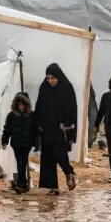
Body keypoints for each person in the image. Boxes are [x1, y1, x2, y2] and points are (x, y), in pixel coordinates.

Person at [34, 63, 77, 195]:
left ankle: (68, 172)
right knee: (47, 156)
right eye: (48, 78)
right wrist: (37, 123)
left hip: (60, 127)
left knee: (59, 153)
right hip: (46, 127)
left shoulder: (66, 88)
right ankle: (51, 187)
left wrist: (68, 124)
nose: (50, 81)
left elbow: (71, 108)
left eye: (52, 78)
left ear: (58, 77)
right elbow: (39, 106)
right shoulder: (44, 88)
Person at [2, 92, 38, 194]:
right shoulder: (11, 116)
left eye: (23, 105)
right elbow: (7, 129)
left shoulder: (32, 115)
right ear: (16, 105)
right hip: (16, 143)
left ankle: (21, 184)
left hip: (27, 143)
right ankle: (23, 183)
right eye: (19, 105)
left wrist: (35, 142)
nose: (21, 107)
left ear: (27, 104)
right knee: (20, 162)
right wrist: (4, 140)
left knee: (22, 162)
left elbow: (35, 130)